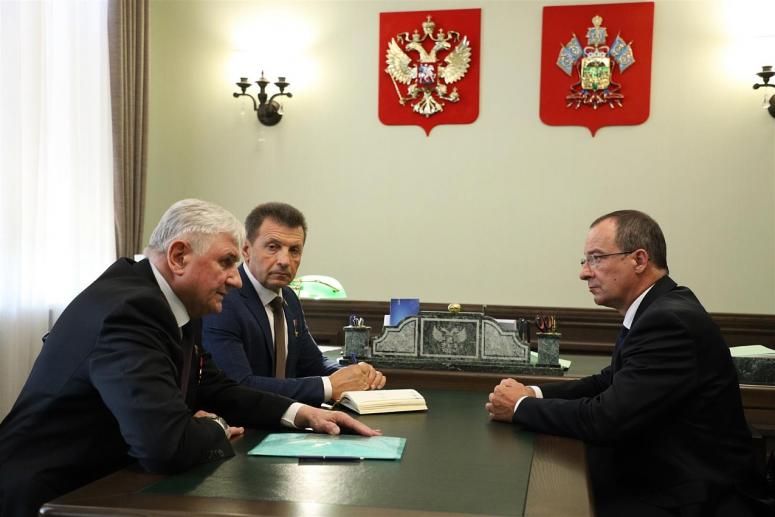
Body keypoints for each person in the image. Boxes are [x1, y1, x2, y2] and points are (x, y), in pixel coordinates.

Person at [0, 199, 379, 517]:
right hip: (48, 496)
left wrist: (301, 413)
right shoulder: (131, 310)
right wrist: (216, 425)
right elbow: (164, 446)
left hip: (106, 486)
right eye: (226, 262)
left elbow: (214, 386)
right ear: (179, 256)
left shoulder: (176, 301)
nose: (236, 279)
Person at [486, 210, 771, 517]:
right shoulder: (658, 307)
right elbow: (609, 381)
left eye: (596, 258)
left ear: (639, 260)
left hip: (692, 499)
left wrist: (520, 407)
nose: (584, 273)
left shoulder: (668, 320)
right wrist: (534, 393)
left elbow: (606, 419)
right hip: (664, 480)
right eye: (584, 260)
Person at [202, 202, 386, 406]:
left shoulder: (289, 298)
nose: (284, 260)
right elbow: (238, 385)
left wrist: (355, 375)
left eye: (294, 250)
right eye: (273, 247)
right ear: (246, 250)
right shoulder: (224, 299)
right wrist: (328, 386)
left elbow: (314, 363)